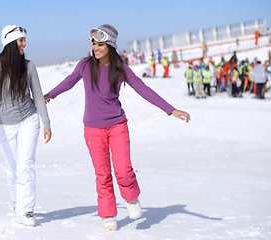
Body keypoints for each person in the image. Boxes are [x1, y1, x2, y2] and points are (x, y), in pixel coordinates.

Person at [44, 24, 191, 230]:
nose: (96, 47)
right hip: (93, 129)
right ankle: (108, 215)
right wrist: (49, 95)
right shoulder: (85, 65)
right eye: (94, 43)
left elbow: (143, 88)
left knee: (123, 170)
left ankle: (131, 199)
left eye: (101, 44)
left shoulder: (119, 67)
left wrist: (170, 109)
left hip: (117, 126)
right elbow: (69, 81)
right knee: (102, 174)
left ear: (110, 45)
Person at [0, 25, 52, 227]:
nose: (25, 43)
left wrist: (46, 122)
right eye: (21, 40)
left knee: (25, 166)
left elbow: (38, 95)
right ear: (11, 43)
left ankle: (27, 209)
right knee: (12, 169)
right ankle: (18, 201)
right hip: (4, 124)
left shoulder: (29, 66)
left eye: (24, 40)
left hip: (28, 120)